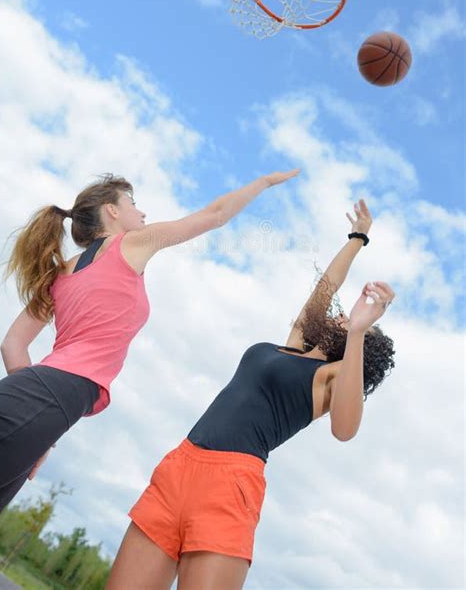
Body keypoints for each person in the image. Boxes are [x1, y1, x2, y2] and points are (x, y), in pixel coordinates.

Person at [106, 199, 396, 590]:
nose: (346, 314)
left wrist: (361, 330)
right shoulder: (294, 344)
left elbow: (345, 430)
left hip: (230, 484)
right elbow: (326, 286)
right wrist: (358, 238)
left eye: (354, 324)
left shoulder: (330, 376)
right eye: (349, 316)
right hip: (180, 464)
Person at [0, 169, 299, 520]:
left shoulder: (60, 272)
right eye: (133, 204)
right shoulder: (128, 244)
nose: (142, 213)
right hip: (53, 396)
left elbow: (12, 346)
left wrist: (37, 424)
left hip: (44, 398)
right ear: (112, 211)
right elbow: (214, 215)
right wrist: (264, 182)